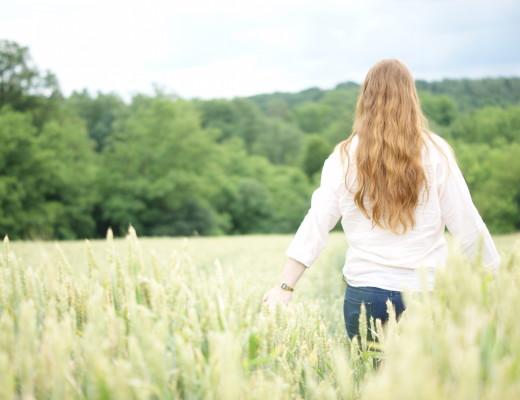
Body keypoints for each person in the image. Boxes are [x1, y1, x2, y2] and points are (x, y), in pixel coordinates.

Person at [262, 59, 501, 340]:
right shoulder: (437, 153)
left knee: (371, 382)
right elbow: (467, 225)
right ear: (411, 98)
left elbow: (315, 225)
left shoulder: (343, 157)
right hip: (425, 293)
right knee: (424, 383)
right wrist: (498, 283)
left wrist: (285, 287)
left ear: (365, 99)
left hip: (365, 296)